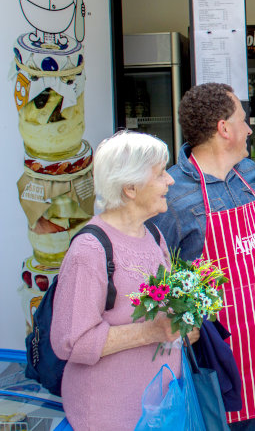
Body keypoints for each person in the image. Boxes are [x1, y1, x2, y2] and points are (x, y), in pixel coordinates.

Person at [151, 83, 255, 430]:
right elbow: (155, 277)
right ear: (224, 129)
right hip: (217, 356)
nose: (248, 129)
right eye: (243, 121)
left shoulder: (251, 175)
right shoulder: (172, 195)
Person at [50, 131, 198, 430]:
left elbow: (162, 314)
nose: (170, 181)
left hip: (161, 410)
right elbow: (71, 342)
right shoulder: (90, 250)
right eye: (160, 175)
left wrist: (182, 326)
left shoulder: (153, 235)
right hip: (110, 416)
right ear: (130, 188)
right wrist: (152, 332)